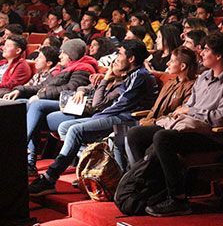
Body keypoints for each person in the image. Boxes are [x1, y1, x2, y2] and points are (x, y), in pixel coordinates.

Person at [126, 32, 223, 217]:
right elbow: (189, 105)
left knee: (163, 138)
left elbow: (221, 118)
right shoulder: (204, 78)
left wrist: (190, 112)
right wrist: (186, 111)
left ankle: (178, 199)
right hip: (189, 128)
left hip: (212, 135)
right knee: (136, 134)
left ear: (219, 55)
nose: (202, 54)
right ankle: (152, 187)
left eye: (206, 50)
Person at [28, 39, 159, 195]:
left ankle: (50, 178)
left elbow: (122, 104)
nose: (117, 58)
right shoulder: (132, 74)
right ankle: (91, 165)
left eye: (121, 54)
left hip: (127, 119)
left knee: (75, 130)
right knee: (66, 127)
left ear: (131, 59)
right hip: (115, 115)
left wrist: (97, 116)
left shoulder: (141, 76)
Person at [4, 39, 98, 175]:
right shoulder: (65, 68)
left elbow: (70, 88)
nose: (60, 57)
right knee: (21, 105)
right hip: (53, 105)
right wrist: (20, 90)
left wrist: (41, 96)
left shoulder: (83, 68)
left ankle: (21, 148)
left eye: (63, 53)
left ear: (72, 55)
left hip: (70, 108)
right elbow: (42, 86)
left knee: (36, 104)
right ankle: (29, 163)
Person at [138, 47, 197, 128]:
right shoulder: (170, 82)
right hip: (154, 122)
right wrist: (147, 120)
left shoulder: (191, 86)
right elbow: (155, 108)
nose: (167, 63)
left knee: (134, 133)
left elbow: (179, 114)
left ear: (182, 66)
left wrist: (153, 122)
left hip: (168, 126)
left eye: (172, 61)